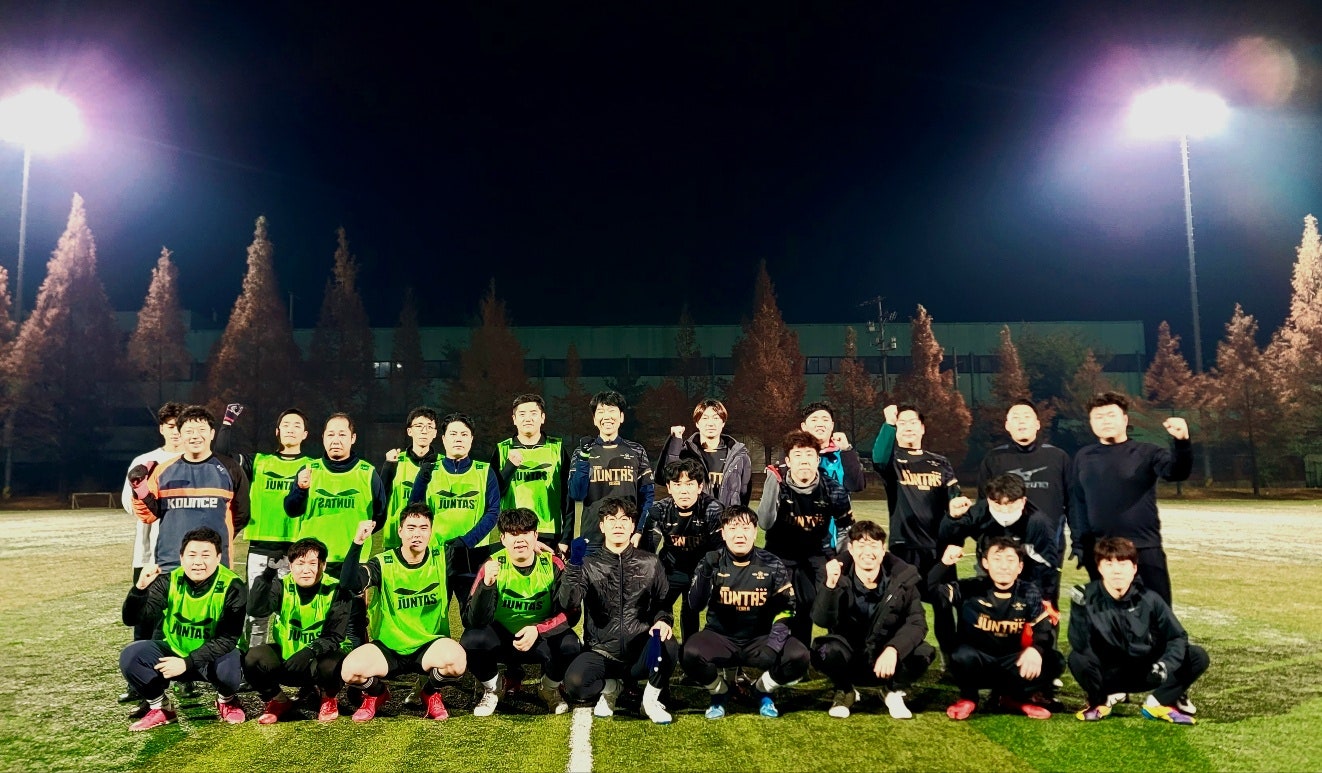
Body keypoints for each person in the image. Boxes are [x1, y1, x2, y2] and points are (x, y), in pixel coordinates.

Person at [338, 505, 467, 722]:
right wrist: (357, 543)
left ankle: (430, 692)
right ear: (400, 531)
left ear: (431, 531)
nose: (417, 534)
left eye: (423, 528)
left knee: (457, 662)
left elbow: (484, 554)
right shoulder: (382, 563)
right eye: (411, 528)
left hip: (429, 645)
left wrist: (521, 545)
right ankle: (377, 693)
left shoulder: (443, 557)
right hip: (389, 648)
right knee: (350, 671)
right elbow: (348, 583)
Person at [682, 505, 810, 719]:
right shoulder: (712, 561)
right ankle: (719, 691)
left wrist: (773, 645)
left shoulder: (772, 563)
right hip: (720, 637)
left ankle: (762, 689)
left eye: (745, 528)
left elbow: (787, 609)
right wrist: (705, 573)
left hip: (759, 639)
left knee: (800, 656)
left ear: (754, 531)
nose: (739, 534)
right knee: (689, 653)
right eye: (732, 528)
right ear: (723, 533)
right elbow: (695, 605)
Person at [558, 497, 677, 724]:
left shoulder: (651, 562)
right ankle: (612, 687)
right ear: (602, 526)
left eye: (624, 520)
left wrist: (663, 620)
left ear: (633, 526)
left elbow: (663, 603)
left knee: (668, 643)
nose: (618, 525)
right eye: (611, 520)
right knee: (575, 684)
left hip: (640, 652)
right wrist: (574, 564)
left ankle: (649, 701)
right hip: (602, 653)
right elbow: (568, 602)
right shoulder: (588, 564)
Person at [1069, 392, 1192, 605]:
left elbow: (1177, 472)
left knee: (1155, 611)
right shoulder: (1083, 457)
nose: (1105, 421)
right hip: (1102, 551)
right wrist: (1081, 545)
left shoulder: (1147, 452)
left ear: (1125, 419)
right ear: (1091, 422)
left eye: (1111, 415)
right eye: (1098, 417)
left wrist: (1182, 443)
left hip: (1143, 549)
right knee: (1107, 615)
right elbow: (1078, 502)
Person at [119, 527, 247, 730]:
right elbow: (132, 619)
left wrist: (188, 662)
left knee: (229, 668)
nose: (198, 562)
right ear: (181, 557)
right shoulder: (168, 580)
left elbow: (227, 639)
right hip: (175, 652)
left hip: (213, 656)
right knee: (131, 656)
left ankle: (226, 700)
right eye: (192, 555)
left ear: (218, 558)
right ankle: (161, 708)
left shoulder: (233, 586)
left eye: (206, 555)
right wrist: (139, 589)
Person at [1068, 537, 1207, 724]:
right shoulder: (1086, 596)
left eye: (1123, 564)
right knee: (1077, 658)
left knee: (1197, 656)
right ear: (1099, 568)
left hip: (1147, 672)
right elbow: (1079, 644)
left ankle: (1156, 703)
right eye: (1109, 564)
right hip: (1109, 674)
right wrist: (1078, 611)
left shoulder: (1150, 599)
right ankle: (1101, 701)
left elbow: (1177, 636)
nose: (1116, 570)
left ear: (1134, 568)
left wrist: (1166, 665)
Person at [871, 403, 971, 656]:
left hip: (938, 548)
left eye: (912, 422)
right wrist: (888, 424)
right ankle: (898, 655)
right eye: (902, 423)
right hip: (904, 548)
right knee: (901, 606)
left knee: (944, 604)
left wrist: (957, 515)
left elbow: (954, 500)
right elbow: (878, 458)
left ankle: (951, 659)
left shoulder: (940, 462)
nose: (908, 427)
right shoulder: (893, 461)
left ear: (922, 428)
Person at [461, 507, 582, 717]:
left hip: (539, 637)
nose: (519, 540)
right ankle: (493, 687)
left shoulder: (552, 564)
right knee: (471, 641)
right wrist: (487, 586)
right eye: (512, 534)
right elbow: (472, 620)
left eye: (525, 533)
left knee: (570, 645)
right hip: (502, 638)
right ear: (503, 538)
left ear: (535, 535)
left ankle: (548, 688)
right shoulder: (492, 564)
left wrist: (538, 629)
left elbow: (571, 612)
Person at [810, 520, 934, 720]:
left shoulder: (903, 578)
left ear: (883, 549)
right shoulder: (834, 574)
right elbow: (821, 620)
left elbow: (917, 622)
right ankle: (845, 690)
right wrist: (830, 585)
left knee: (923, 652)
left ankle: (892, 691)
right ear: (851, 549)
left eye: (874, 545)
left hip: (886, 663)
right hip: (850, 658)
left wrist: (894, 649)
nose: (868, 552)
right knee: (822, 651)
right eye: (861, 545)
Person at [931, 536, 1064, 721]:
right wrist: (944, 564)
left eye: (1010, 560)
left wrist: (1036, 649)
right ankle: (969, 697)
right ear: (985, 563)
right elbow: (932, 591)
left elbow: (1043, 627)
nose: (1004, 566)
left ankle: (1012, 698)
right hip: (977, 662)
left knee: (1054, 661)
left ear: (1020, 567)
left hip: (1011, 662)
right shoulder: (970, 588)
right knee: (961, 655)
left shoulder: (1028, 591)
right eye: (997, 559)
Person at [214, 404, 314, 647]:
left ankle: (286, 657)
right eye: (286, 425)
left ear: (305, 434)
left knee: (291, 610)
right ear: (277, 432)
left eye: (297, 425)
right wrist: (227, 423)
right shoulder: (259, 462)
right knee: (256, 612)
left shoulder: (314, 466)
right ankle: (253, 660)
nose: (291, 429)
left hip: (298, 549)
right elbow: (223, 456)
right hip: (261, 546)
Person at [284, 412, 387, 648]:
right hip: (315, 563)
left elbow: (379, 515)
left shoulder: (367, 473)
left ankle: (355, 668)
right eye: (330, 434)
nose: (336, 440)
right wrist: (300, 489)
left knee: (354, 625)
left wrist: (359, 537)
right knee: (315, 622)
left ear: (353, 438)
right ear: (323, 438)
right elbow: (292, 509)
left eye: (342, 434)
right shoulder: (308, 470)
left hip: (352, 563)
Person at [756, 430, 853, 647]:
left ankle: (835, 652)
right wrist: (771, 482)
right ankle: (773, 652)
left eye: (809, 455)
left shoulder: (832, 489)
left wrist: (841, 561)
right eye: (798, 455)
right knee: (779, 607)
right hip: (780, 555)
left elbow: (845, 528)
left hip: (817, 554)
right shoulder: (778, 484)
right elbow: (765, 523)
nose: (804, 461)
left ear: (817, 460)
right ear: (788, 461)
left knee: (834, 600)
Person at [242, 536, 350, 724]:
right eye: (300, 563)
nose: (306, 570)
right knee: (253, 658)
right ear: (290, 566)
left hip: (318, 660)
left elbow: (335, 636)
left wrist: (309, 651)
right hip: (289, 660)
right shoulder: (282, 584)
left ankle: (328, 698)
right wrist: (267, 575)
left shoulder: (337, 589)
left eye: (312, 563)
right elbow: (256, 610)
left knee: (332, 665)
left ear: (323, 565)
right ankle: (279, 701)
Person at [130, 405, 250, 573]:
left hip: (216, 565)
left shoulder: (231, 468)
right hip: (171, 564)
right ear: (180, 435)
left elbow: (242, 514)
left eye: (201, 430)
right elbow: (148, 515)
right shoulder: (163, 470)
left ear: (212, 434)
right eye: (189, 431)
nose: (195, 436)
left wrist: (221, 539)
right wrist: (139, 489)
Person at [119, 401, 184, 710]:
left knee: (181, 617)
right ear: (161, 428)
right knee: (145, 621)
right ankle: (140, 681)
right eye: (170, 426)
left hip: (184, 557)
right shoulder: (145, 462)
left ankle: (185, 677)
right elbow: (129, 505)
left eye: (180, 426)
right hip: (149, 556)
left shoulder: (194, 461)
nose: (176, 432)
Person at [411, 412, 501, 609]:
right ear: (443, 439)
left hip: (473, 556)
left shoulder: (485, 471)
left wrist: (468, 540)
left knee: (473, 615)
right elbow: (414, 511)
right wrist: (420, 482)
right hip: (436, 554)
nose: (458, 439)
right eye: (453, 434)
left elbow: (493, 512)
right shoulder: (430, 470)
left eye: (464, 434)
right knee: (433, 613)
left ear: (471, 439)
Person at [977, 399, 1071, 580]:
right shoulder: (994, 459)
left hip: (1046, 547)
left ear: (1037, 424)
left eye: (1027, 416)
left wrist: (1079, 541)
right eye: (1016, 417)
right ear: (1007, 425)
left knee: (1044, 597)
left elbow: (1072, 503)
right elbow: (983, 505)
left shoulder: (1058, 458)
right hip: (1005, 549)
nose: (1021, 421)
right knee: (1003, 597)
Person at [939, 473, 1061, 604]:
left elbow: (1047, 563)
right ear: (989, 500)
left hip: (1026, 574)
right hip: (988, 570)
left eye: (1010, 503)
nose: (1004, 510)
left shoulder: (1038, 523)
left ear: (1023, 501)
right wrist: (952, 518)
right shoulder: (980, 511)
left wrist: (1045, 597)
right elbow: (947, 536)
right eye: (997, 503)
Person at [639, 458, 724, 642]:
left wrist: (707, 574)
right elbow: (648, 551)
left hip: (700, 569)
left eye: (690, 484)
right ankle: (658, 649)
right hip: (670, 568)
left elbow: (719, 550)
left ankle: (689, 652)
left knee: (691, 612)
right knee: (656, 608)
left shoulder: (713, 509)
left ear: (700, 487)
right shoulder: (659, 510)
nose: (683, 490)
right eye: (677, 484)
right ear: (669, 488)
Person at [567, 391, 655, 547]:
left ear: (621, 417)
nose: (607, 416)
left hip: (628, 538)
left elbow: (647, 496)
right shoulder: (582, 452)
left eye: (612, 410)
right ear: (594, 419)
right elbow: (576, 494)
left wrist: (639, 530)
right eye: (601, 411)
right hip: (592, 539)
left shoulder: (636, 450)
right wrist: (584, 458)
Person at [493, 394, 574, 552]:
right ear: (514, 419)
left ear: (543, 417)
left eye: (533, 413)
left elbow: (568, 498)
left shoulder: (556, 449)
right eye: (522, 414)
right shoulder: (502, 450)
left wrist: (566, 538)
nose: (528, 419)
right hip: (513, 532)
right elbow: (493, 495)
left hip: (549, 532)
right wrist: (509, 467)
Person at [656, 398, 753, 507]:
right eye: (705, 418)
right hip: (697, 515)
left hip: (728, 516)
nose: (710, 423)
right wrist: (675, 440)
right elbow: (663, 478)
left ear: (723, 422)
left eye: (716, 418)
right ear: (697, 423)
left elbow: (744, 495)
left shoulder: (739, 456)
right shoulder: (686, 453)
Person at [381, 406, 439, 550]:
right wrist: (388, 466)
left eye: (429, 426)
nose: (424, 431)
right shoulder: (395, 461)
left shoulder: (442, 464)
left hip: (431, 541)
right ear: (409, 431)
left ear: (435, 433)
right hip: (396, 538)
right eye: (419, 426)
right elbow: (380, 496)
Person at [799, 401, 866, 492]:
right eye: (814, 420)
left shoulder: (844, 455)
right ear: (804, 426)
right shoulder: (796, 454)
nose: (820, 424)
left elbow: (857, 486)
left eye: (825, 420)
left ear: (832, 425)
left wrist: (846, 450)